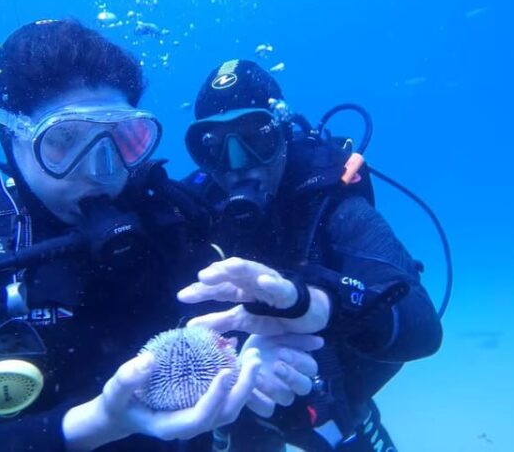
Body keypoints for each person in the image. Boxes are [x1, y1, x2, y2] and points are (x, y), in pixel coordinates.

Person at [0, 21, 323, 452]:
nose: (102, 170)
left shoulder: (173, 218)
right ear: (11, 137)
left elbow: (233, 322)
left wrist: (251, 354)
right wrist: (95, 425)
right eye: (64, 139)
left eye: (124, 138)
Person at [173, 59, 444, 451]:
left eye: (256, 137)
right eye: (214, 147)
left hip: (332, 393)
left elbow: (422, 326)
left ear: (284, 134)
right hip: (236, 400)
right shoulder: (194, 208)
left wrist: (324, 305)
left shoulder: (329, 201)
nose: (237, 164)